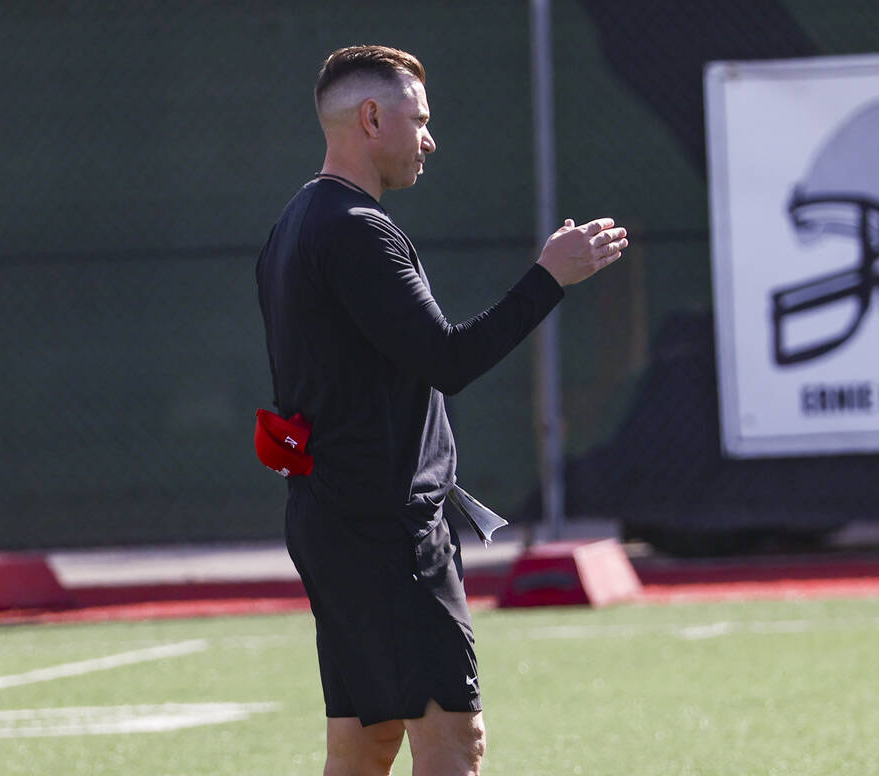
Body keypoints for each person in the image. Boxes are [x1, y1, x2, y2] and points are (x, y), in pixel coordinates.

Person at [255, 45, 628, 776]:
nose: (430, 139)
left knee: (365, 741)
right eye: (418, 120)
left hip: (335, 517)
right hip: (386, 529)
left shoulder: (294, 223)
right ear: (371, 119)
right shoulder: (359, 230)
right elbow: (448, 360)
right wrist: (549, 278)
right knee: (454, 741)